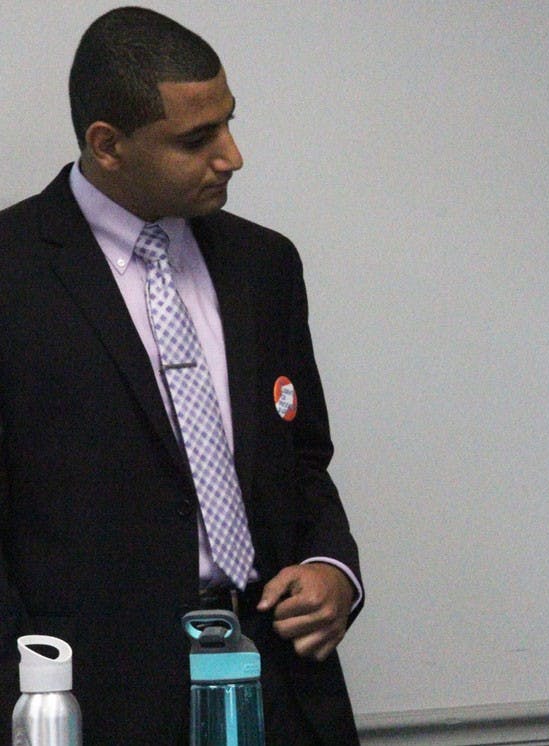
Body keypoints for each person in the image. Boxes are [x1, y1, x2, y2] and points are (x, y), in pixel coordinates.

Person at [0, 7, 363, 745]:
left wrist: (333, 567)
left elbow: (300, 457)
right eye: (198, 139)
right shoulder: (12, 273)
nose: (233, 155)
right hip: (94, 698)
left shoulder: (265, 265)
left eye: (228, 121)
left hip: (281, 680)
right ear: (109, 145)